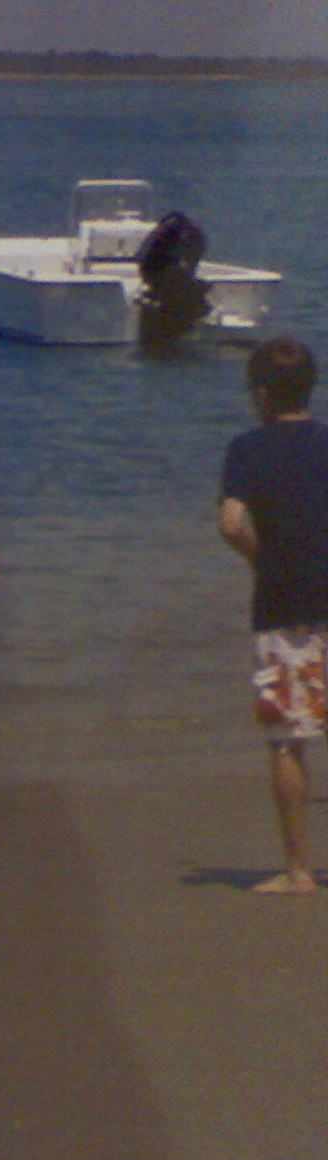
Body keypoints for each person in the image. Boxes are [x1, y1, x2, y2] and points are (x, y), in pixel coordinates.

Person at [219, 335, 328, 895]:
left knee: (288, 738)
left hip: (284, 607)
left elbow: (232, 523)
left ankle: (298, 872)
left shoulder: (247, 449)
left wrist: (263, 559)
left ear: (261, 393)